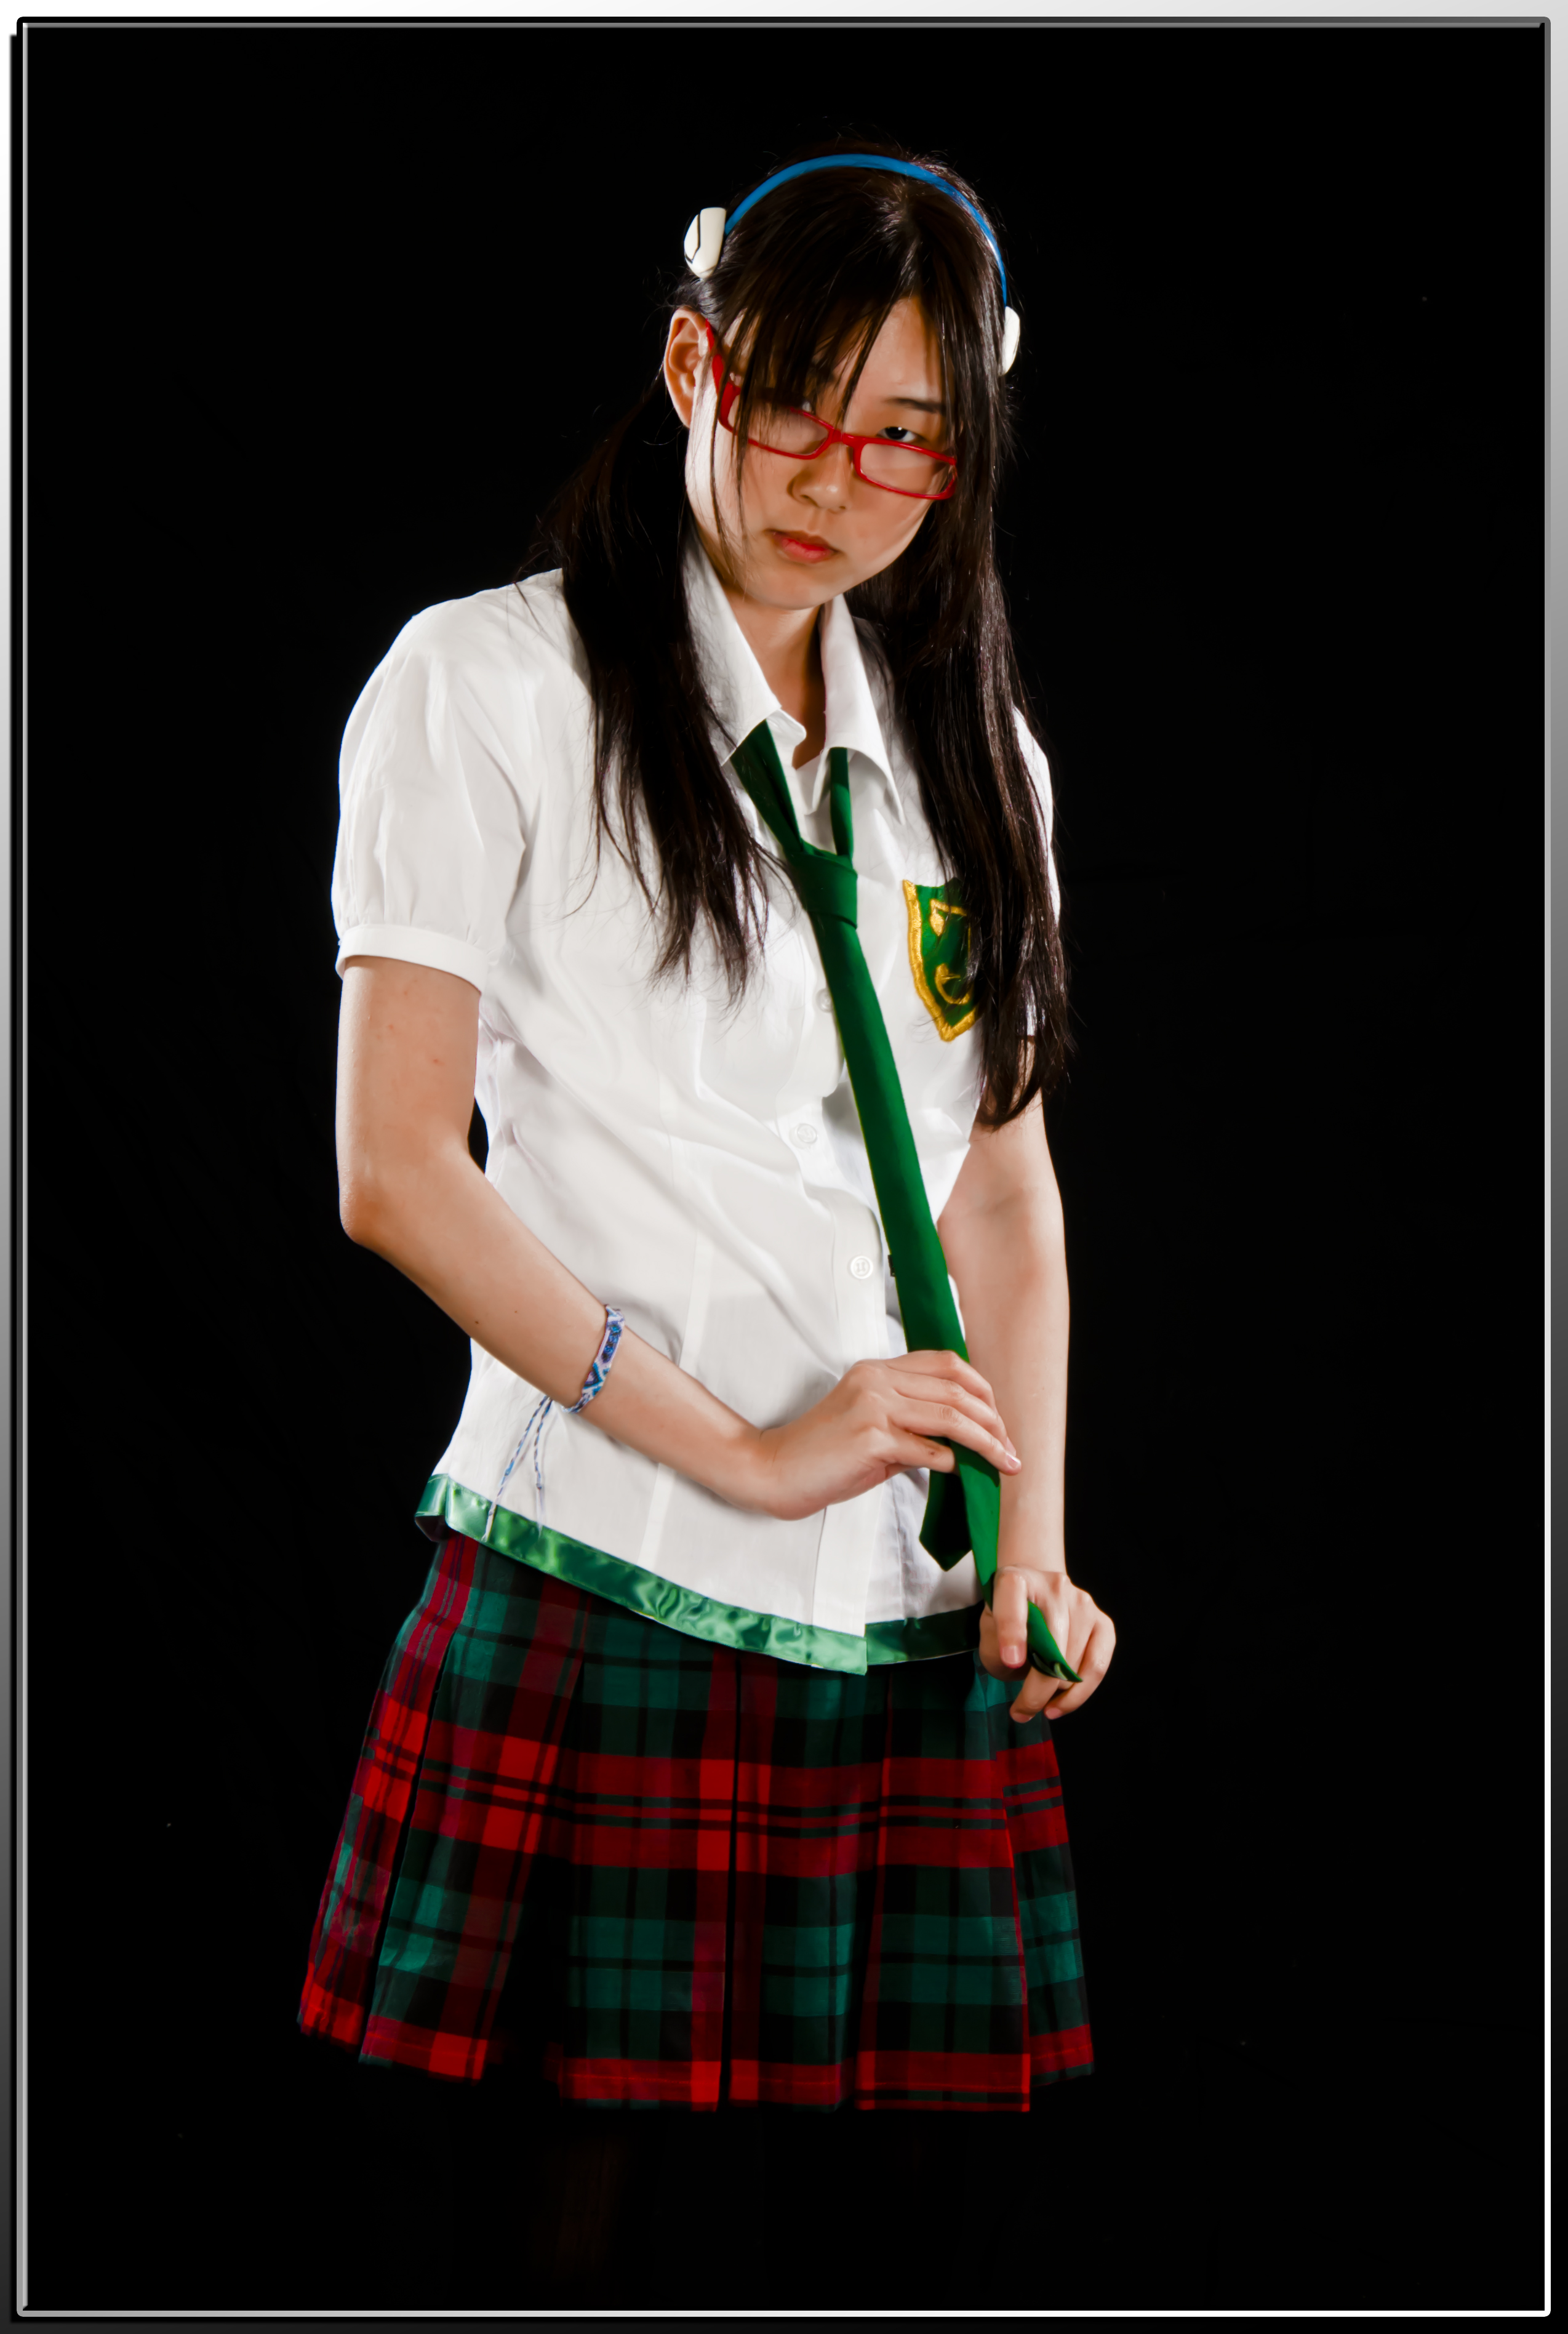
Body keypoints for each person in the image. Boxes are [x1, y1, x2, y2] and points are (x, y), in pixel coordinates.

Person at [298, 140, 1116, 2302]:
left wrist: (1029, 1551)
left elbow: (1001, 1185)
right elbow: (395, 1169)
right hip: (611, 1565)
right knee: (563, 2237)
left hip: (909, 1608)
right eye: (794, 403)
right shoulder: (488, 686)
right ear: (692, 368)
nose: (837, 477)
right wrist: (745, 1451)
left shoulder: (972, 755)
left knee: (887, 2247)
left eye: (906, 434)